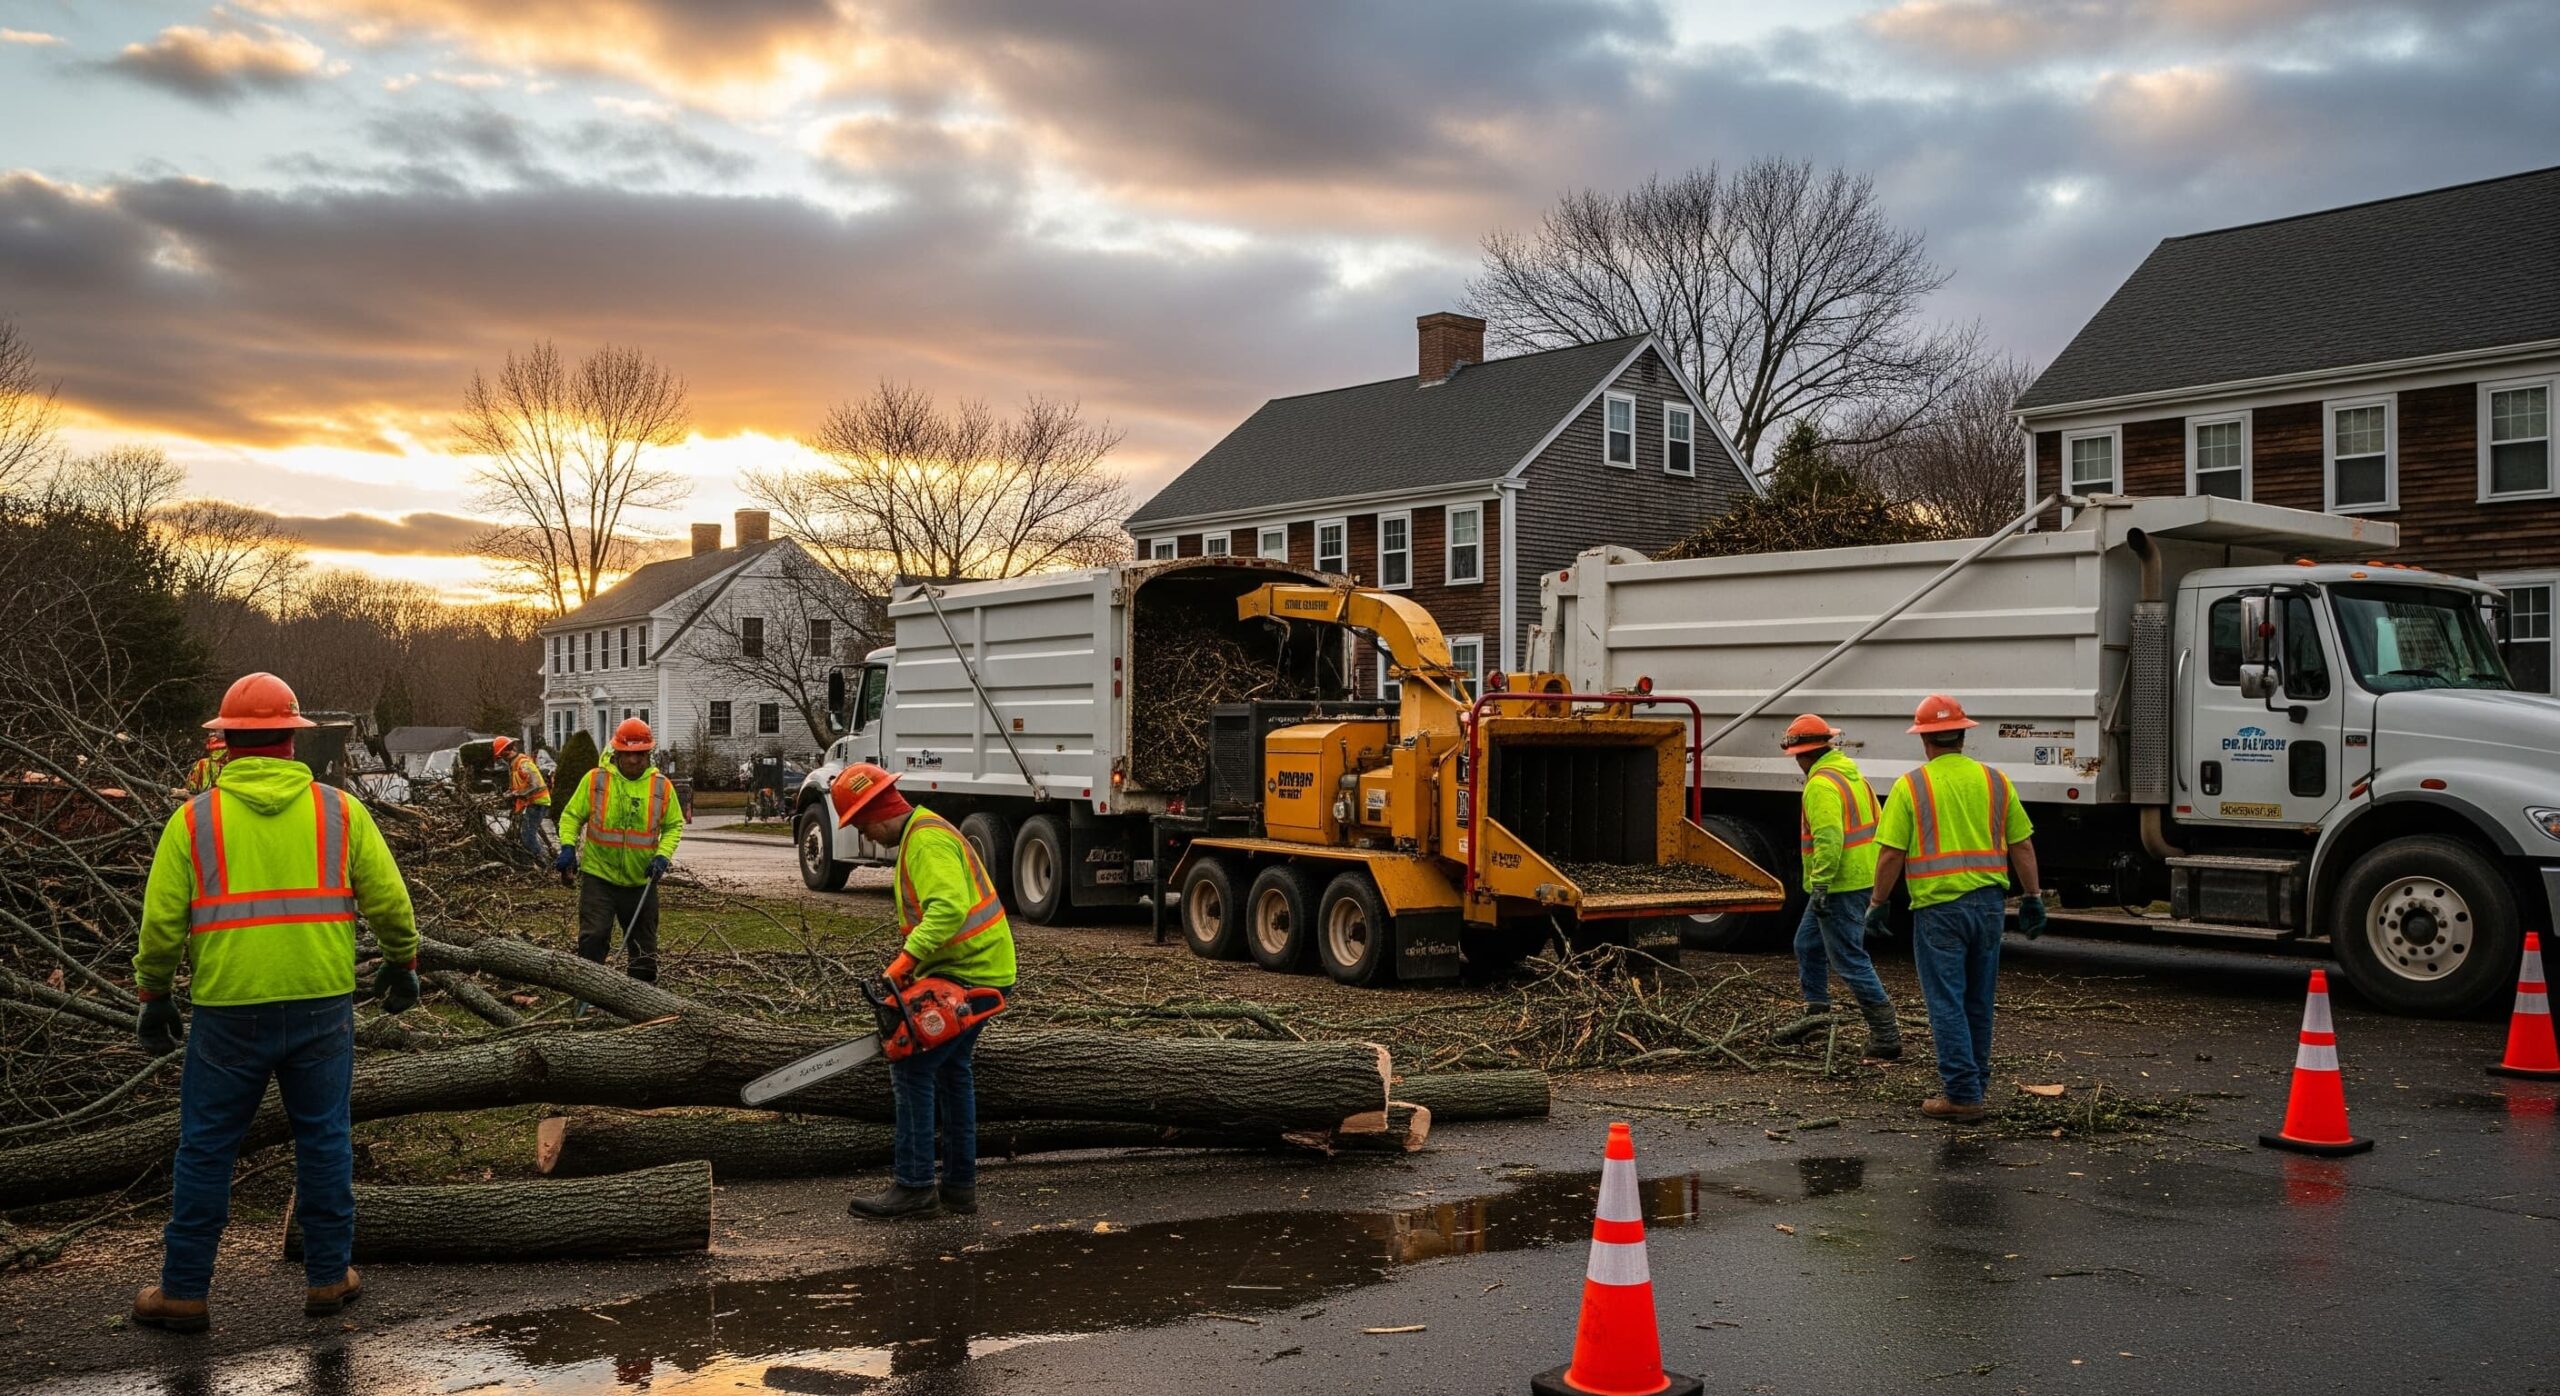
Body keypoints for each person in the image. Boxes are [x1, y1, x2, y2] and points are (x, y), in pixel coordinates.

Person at [130, 672, 418, 1335]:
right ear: (293, 738)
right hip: (321, 1000)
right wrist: (403, 964)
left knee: (205, 1148)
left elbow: (160, 926)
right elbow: (390, 903)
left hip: (228, 1006)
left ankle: (183, 1291)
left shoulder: (193, 819)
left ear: (224, 742)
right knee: (324, 1139)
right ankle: (326, 1278)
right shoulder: (339, 811)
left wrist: (153, 994)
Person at [831, 763, 1016, 1221]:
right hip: (973, 967)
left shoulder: (925, 841)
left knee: (911, 1066)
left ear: (876, 811)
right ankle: (958, 1186)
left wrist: (906, 962)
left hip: (971, 971)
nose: (865, 835)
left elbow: (948, 909)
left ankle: (914, 1184)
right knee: (953, 1071)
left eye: (860, 825)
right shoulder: (923, 832)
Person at [1865, 695, 2045, 1122]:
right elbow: (2021, 843)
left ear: (1925, 739)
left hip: (1939, 908)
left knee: (1945, 1000)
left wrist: (1877, 903)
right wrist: (2034, 896)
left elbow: (1891, 854)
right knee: (1978, 1000)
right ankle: (1974, 1085)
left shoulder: (1913, 785)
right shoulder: (1996, 781)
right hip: (1987, 906)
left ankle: (1963, 1094)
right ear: (1963, 735)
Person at [1770, 714, 1900, 1061]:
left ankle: (1886, 1035)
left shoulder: (1821, 785)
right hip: (1857, 876)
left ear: (1803, 754)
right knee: (1807, 944)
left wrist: (1822, 884)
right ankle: (1817, 1017)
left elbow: (1829, 837)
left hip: (1839, 883)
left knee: (1849, 959)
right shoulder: (1850, 775)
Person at [553, 718, 681, 983]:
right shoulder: (596, 780)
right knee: (593, 937)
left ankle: (642, 1003)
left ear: (648, 754)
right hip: (599, 876)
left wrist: (662, 856)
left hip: (640, 881)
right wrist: (567, 845)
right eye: (628, 754)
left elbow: (673, 826)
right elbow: (571, 816)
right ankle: (588, 996)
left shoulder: (661, 787)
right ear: (617, 753)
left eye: (640, 754)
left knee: (644, 948)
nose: (634, 760)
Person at [491, 737, 551, 861]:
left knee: (528, 837)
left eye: (502, 755)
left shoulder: (523, 763)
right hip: (529, 803)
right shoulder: (514, 765)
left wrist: (516, 794)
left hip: (537, 802)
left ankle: (543, 862)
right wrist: (508, 794)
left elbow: (535, 785)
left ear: (506, 751)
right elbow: (517, 786)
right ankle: (530, 861)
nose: (501, 758)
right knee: (522, 834)